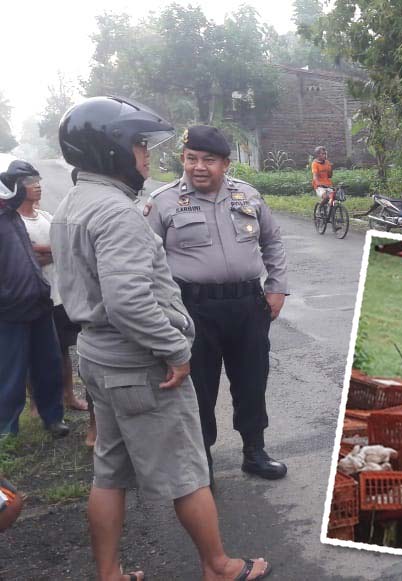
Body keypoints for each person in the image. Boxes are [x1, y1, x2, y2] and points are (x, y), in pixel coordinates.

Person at [51, 96, 270, 581]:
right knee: (188, 471)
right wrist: (175, 351)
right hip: (138, 364)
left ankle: (108, 573)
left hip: (99, 359)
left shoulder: (72, 203)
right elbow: (129, 301)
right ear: (110, 149)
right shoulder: (117, 213)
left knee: (109, 471)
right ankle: (218, 566)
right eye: (138, 145)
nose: (146, 156)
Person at [145, 125, 289, 485]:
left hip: (247, 306)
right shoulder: (162, 202)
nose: (199, 167)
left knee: (252, 381)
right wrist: (163, 313)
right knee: (200, 388)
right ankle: (201, 462)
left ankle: (254, 451)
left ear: (225, 163)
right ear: (183, 159)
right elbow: (145, 261)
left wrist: (277, 288)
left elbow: (272, 242)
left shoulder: (247, 196)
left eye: (209, 160)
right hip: (194, 310)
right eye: (192, 158)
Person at [0, 160, 68, 439]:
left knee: (48, 365)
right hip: (10, 308)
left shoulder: (11, 215)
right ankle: (6, 430)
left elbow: (16, 192)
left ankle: (53, 418)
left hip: (39, 303)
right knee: (11, 373)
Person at [15, 172, 90, 418]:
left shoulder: (46, 217)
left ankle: (69, 395)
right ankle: (36, 402)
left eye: (38, 181)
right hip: (29, 296)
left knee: (63, 350)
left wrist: (45, 252)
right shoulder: (12, 222)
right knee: (31, 352)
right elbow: (25, 254)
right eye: (29, 183)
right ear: (16, 188)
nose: (37, 186)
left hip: (57, 296)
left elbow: (64, 244)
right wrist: (52, 251)